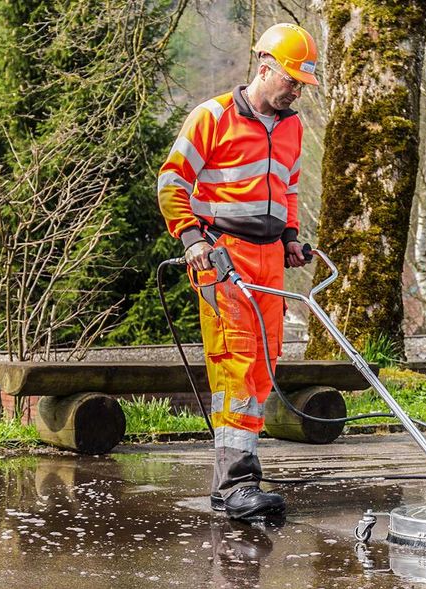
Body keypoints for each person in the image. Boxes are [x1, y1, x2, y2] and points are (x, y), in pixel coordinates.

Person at [157, 23, 318, 521]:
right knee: (235, 365)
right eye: (291, 80)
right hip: (222, 255)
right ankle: (239, 484)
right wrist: (191, 238)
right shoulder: (212, 117)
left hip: (270, 258)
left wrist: (290, 237)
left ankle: (229, 486)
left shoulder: (292, 126)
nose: (295, 91)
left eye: (301, 84)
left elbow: (287, 189)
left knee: (262, 365)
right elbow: (171, 180)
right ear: (265, 68)